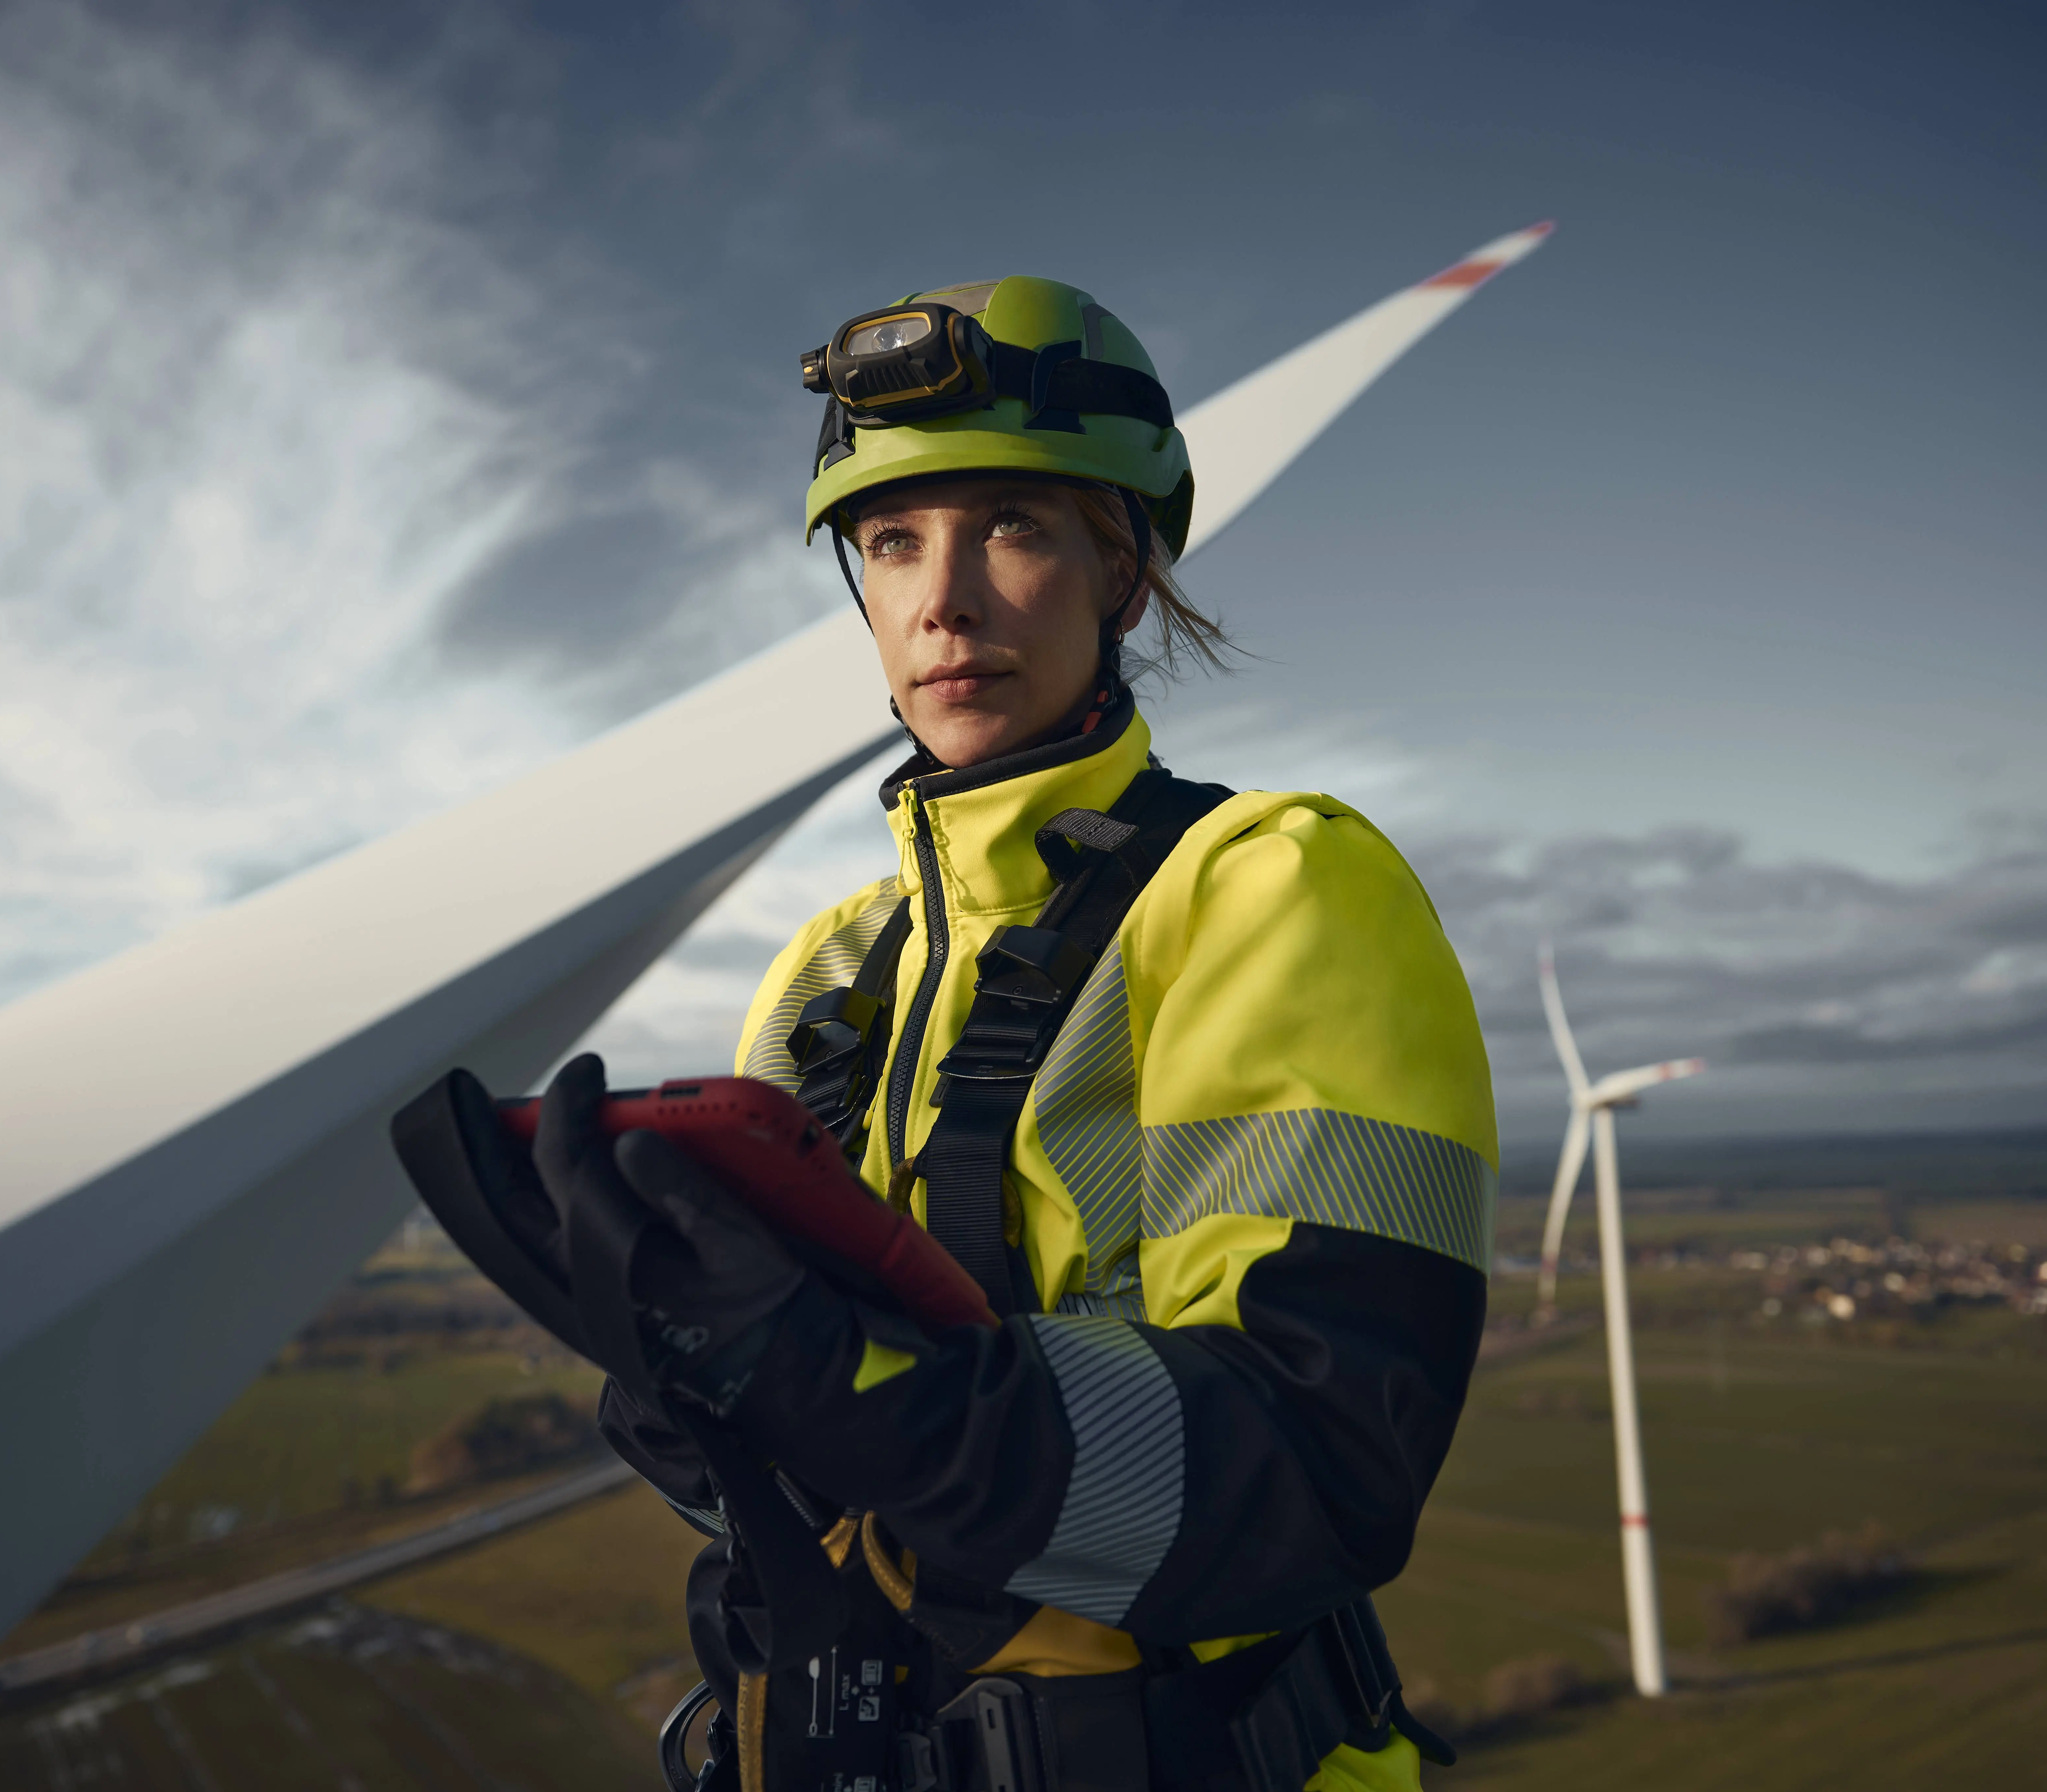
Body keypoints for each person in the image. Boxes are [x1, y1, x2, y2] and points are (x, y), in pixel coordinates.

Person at [535, 277, 1496, 1791]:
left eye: (1016, 528)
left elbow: (1315, 1471)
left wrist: (881, 1397)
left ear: (1120, 570)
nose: (943, 601)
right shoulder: (829, 969)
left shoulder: (1268, 886)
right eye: (891, 541)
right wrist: (671, 1376)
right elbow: (788, 1491)